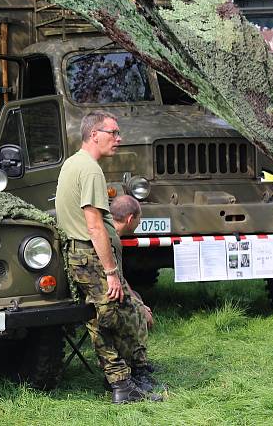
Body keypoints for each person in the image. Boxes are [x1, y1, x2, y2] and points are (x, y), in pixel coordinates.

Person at [55, 111, 160, 404]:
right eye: (113, 133)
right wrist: (111, 271)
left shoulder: (73, 164)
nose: (119, 138)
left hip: (82, 255)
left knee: (109, 316)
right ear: (94, 134)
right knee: (112, 317)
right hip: (90, 256)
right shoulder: (89, 169)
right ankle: (122, 385)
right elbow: (94, 225)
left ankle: (127, 381)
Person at [108, 194, 157, 387]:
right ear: (130, 219)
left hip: (110, 287)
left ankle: (138, 362)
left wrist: (138, 300)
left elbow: (119, 276)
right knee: (135, 309)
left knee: (136, 299)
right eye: (139, 218)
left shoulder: (112, 234)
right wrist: (140, 306)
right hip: (104, 295)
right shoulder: (110, 238)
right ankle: (138, 368)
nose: (139, 222)